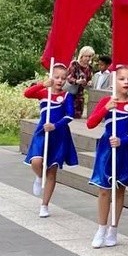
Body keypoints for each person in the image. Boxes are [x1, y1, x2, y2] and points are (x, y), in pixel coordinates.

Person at [86, 65, 128, 248]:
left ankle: (113, 228)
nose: (126, 82)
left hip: (125, 149)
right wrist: (106, 107)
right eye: (122, 79)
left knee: (120, 188)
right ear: (114, 81)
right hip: (107, 150)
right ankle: (101, 228)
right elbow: (91, 123)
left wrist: (123, 141)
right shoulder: (107, 101)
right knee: (104, 189)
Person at [23, 64, 78, 218]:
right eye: (56, 77)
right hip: (42, 132)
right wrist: (42, 84)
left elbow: (69, 115)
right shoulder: (43, 93)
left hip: (59, 135)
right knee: (36, 162)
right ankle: (40, 176)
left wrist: (55, 125)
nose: (60, 81)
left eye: (63, 77)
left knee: (52, 170)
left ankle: (44, 204)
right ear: (51, 76)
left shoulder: (67, 96)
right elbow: (27, 93)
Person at [66, 46, 95, 117]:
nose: (88, 58)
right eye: (86, 56)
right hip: (70, 93)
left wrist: (89, 82)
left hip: (80, 96)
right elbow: (69, 77)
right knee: (68, 114)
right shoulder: (74, 64)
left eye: (90, 56)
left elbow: (89, 80)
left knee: (78, 116)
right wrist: (77, 81)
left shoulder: (90, 68)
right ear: (81, 55)